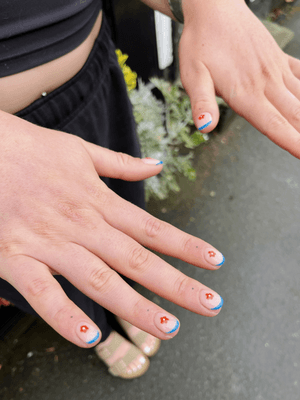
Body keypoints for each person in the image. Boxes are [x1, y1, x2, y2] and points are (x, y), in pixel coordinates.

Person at [0, 0, 300, 380]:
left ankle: (123, 299)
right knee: (38, 265)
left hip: (92, 82)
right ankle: (100, 332)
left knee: (123, 221)